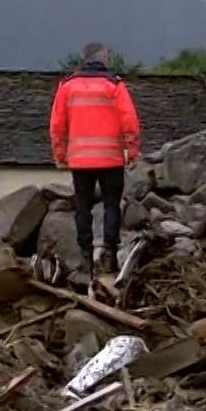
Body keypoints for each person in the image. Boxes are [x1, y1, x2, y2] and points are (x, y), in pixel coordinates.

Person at [49, 42, 140, 276]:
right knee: (112, 205)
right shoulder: (115, 85)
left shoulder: (67, 87)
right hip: (111, 158)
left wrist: (60, 155)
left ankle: (86, 255)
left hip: (80, 161)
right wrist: (132, 150)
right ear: (103, 58)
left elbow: (57, 126)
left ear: (83, 58)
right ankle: (110, 253)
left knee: (82, 206)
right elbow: (129, 120)